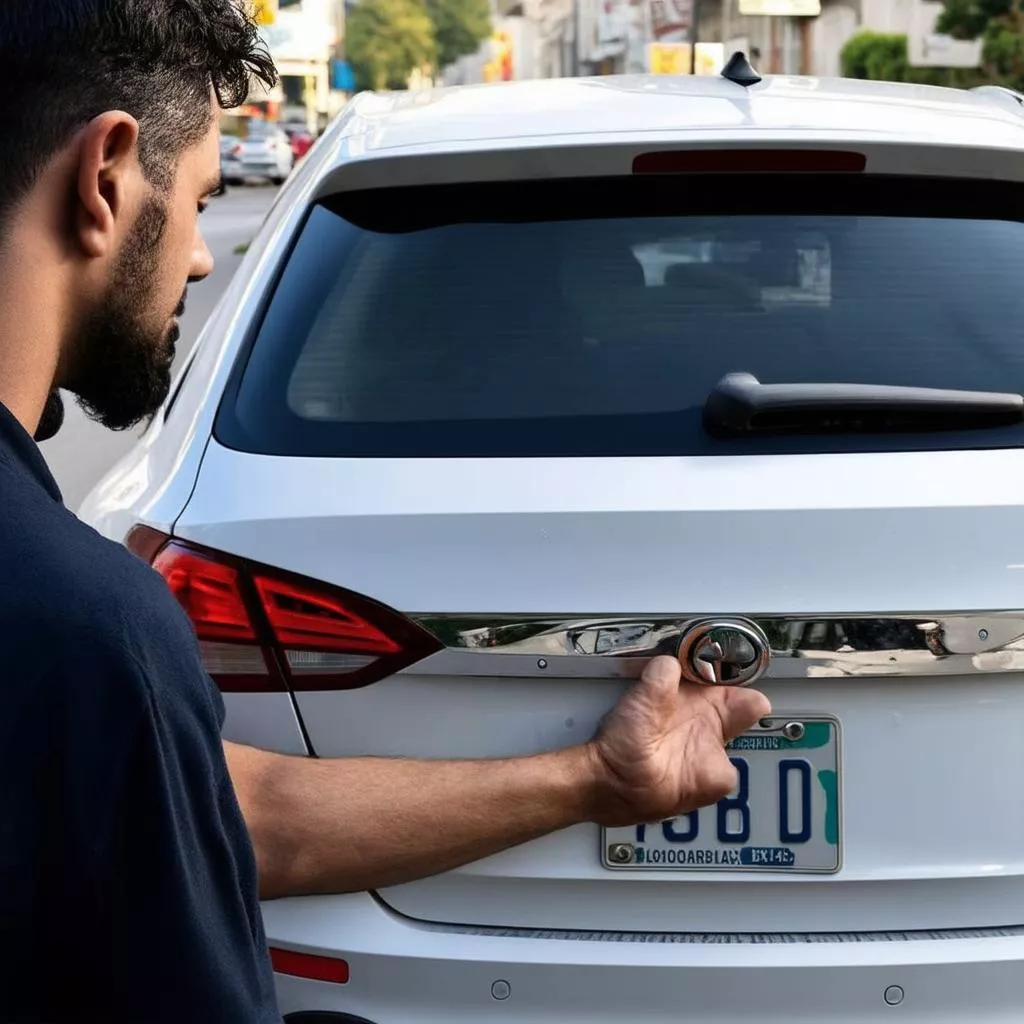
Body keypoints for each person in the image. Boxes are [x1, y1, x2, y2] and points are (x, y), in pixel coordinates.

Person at [0, 2, 771, 1021]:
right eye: (199, 200)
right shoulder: (76, 629)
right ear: (106, 179)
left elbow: (230, 811)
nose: (196, 257)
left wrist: (596, 779)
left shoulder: (63, 632)